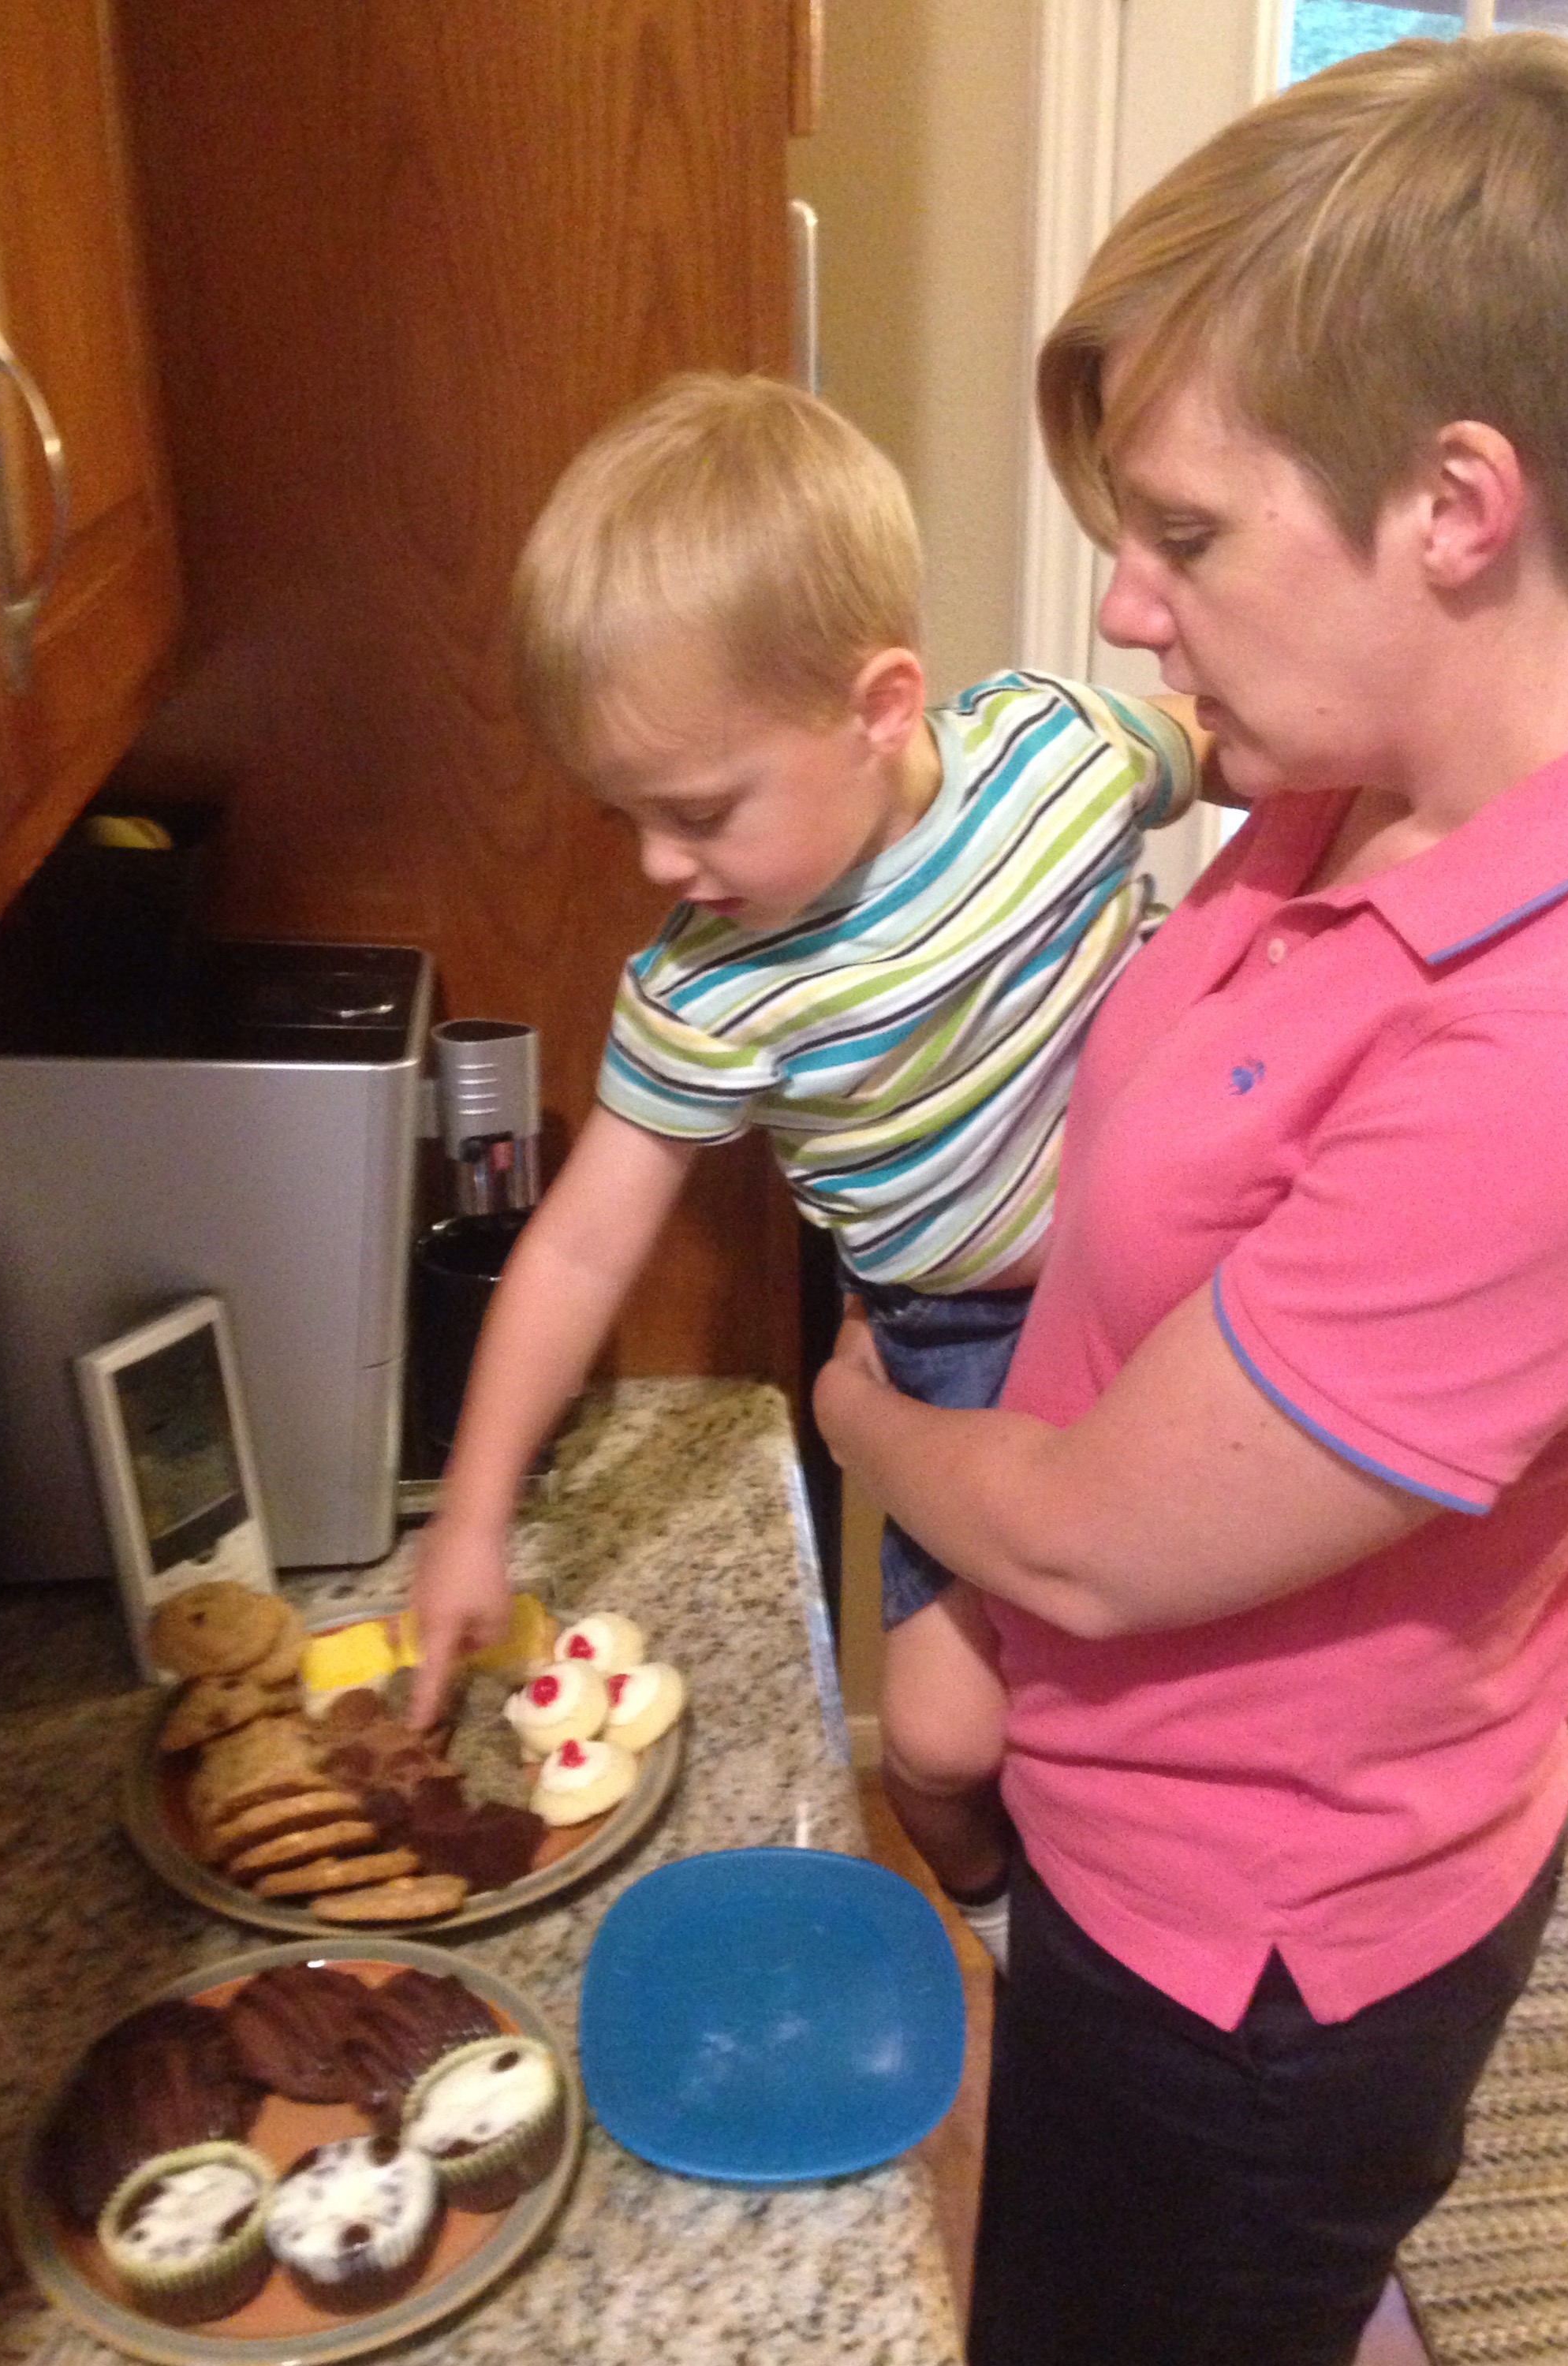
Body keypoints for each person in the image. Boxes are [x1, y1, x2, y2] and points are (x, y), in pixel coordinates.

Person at [813, 29, 1568, 2366]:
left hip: (1257, 1962)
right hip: (1124, 1812)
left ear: (1459, 506)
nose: (1127, 607)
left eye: (1187, 535)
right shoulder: (1368, 770)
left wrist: (861, 1418)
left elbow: (1098, 1540)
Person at [405, 372, 1214, 1949]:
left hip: (1172, 1270)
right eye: (626, 817)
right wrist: (474, 1512)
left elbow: (1241, 746)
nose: (660, 863)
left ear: (882, 705)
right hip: (953, 1344)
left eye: (700, 809)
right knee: (940, 1748)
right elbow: (578, 1244)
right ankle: (1005, 1933)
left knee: (1177, 1670)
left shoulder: (1053, 751)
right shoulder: (705, 988)